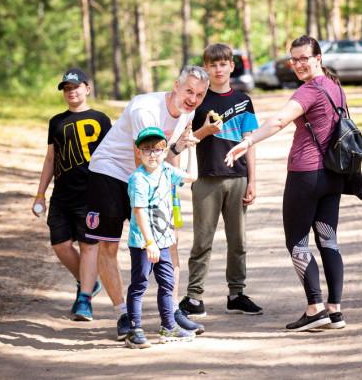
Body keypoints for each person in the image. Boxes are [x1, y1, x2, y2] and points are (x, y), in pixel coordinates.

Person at [74, 66, 209, 339]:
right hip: (110, 173)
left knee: (169, 241)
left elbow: (170, 152)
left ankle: (171, 312)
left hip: (151, 174)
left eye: (200, 94)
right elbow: (142, 157)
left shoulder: (189, 113)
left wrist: (171, 193)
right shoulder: (145, 109)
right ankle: (123, 314)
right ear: (175, 86)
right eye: (189, 91)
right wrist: (149, 201)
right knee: (109, 245)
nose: (193, 99)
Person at [225, 35, 348, 331]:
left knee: (297, 242)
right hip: (333, 175)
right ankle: (335, 312)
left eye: (305, 57)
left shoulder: (310, 90)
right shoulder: (335, 87)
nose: (299, 64)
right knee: (328, 240)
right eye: (294, 59)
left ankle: (315, 307)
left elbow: (279, 121)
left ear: (318, 58)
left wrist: (248, 141)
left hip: (306, 175)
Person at [178, 43, 262, 319]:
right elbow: (187, 140)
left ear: (231, 66)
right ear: (206, 68)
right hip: (206, 178)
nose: (218, 69)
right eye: (212, 65)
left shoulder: (243, 100)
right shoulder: (199, 100)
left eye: (223, 63)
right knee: (202, 240)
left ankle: (236, 294)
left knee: (238, 241)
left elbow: (251, 142)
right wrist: (205, 130)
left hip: (238, 177)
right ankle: (194, 297)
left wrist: (252, 180)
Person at [32, 68, 111, 316]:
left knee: (89, 246)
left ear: (87, 88)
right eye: (67, 89)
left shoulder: (101, 119)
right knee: (60, 244)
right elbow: (50, 159)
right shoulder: (56, 121)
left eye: (76, 87)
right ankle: (89, 281)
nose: (71, 92)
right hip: (62, 195)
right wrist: (40, 194)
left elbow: (111, 156)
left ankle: (84, 299)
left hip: (91, 194)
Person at [124, 127, 198, 348]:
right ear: (139, 152)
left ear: (165, 151)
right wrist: (149, 243)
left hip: (164, 242)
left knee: (167, 284)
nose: (152, 154)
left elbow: (192, 176)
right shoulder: (138, 179)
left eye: (157, 149)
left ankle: (168, 326)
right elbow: (139, 211)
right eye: (146, 150)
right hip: (144, 243)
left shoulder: (166, 169)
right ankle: (134, 330)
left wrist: (191, 149)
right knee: (139, 285)